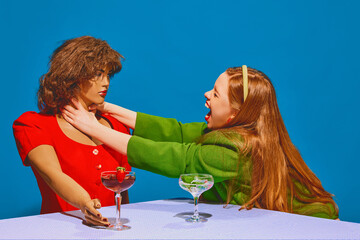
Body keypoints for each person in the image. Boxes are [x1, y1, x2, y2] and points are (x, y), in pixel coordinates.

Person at [62, 65, 339, 219]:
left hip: (311, 223)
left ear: (234, 114)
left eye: (216, 94)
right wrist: (109, 109)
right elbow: (179, 132)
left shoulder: (237, 149)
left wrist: (93, 129)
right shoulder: (231, 133)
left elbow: (178, 157)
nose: (207, 94)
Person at [13, 36, 131, 227]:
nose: (106, 82)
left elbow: (122, 190)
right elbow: (53, 175)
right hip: (59, 231)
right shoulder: (34, 125)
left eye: (109, 75)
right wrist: (85, 203)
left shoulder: (117, 127)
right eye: (98, 74)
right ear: (72, 74)